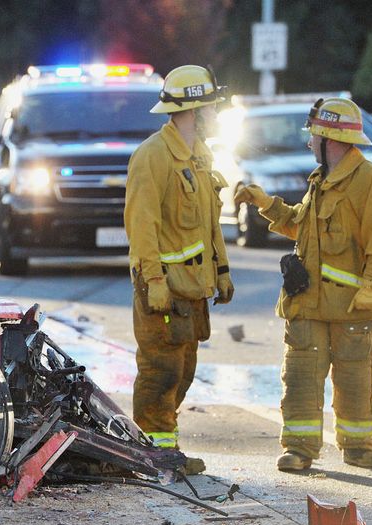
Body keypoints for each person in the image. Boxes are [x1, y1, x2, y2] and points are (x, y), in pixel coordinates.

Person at [235, 97, 372, 471]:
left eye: (314, 136)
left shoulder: (371, 182)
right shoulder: (320, 181)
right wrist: (266, 204)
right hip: (308, 302)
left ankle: (358, 447)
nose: (309, 143)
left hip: (352, 307)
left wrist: (371, 287)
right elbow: (301, 226)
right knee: (301, 376)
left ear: (331, 140)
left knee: (355, 378)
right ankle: (299, 449)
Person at [124, 65, 234, 476]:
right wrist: (153, 280)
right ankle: (152, 456)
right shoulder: (152, 157)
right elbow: (142, 226)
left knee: (183, 372)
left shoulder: (200, 158)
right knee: (160, 373)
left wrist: (221, 270)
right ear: (194, 110)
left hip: (191, 290)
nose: (216, 115)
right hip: (163, 290)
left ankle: (160, 450)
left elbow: (210, 223)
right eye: (212, 107)